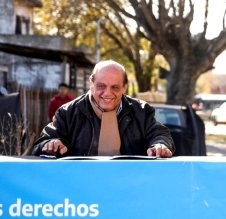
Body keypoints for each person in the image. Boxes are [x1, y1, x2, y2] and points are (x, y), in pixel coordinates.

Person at [33, 60, 175, 158]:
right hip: (81, 189)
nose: (107, 93)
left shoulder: (142, 111)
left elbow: (160, 135)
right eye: (101, 86)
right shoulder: (68, 112)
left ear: (124, 87)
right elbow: (41, 144)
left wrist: (160, 145)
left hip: (128, 187)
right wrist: (50, 145)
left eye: (115, 87)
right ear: (91, 84)